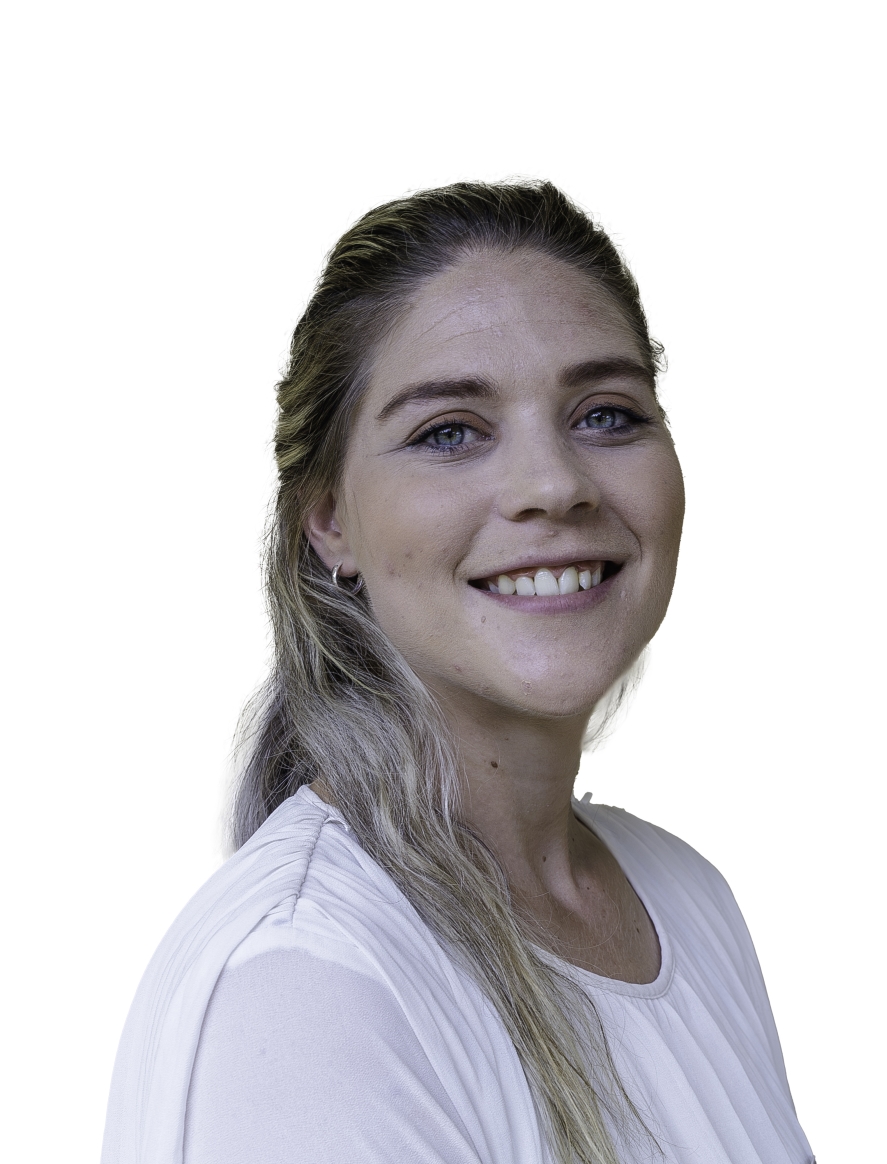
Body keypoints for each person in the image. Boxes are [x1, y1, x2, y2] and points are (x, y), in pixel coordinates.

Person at [101, 181, 814, 1164]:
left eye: (607, 415)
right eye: (449, 432)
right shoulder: (306, 984)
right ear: (329, 520)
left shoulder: (687, 901)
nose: (555, 484)